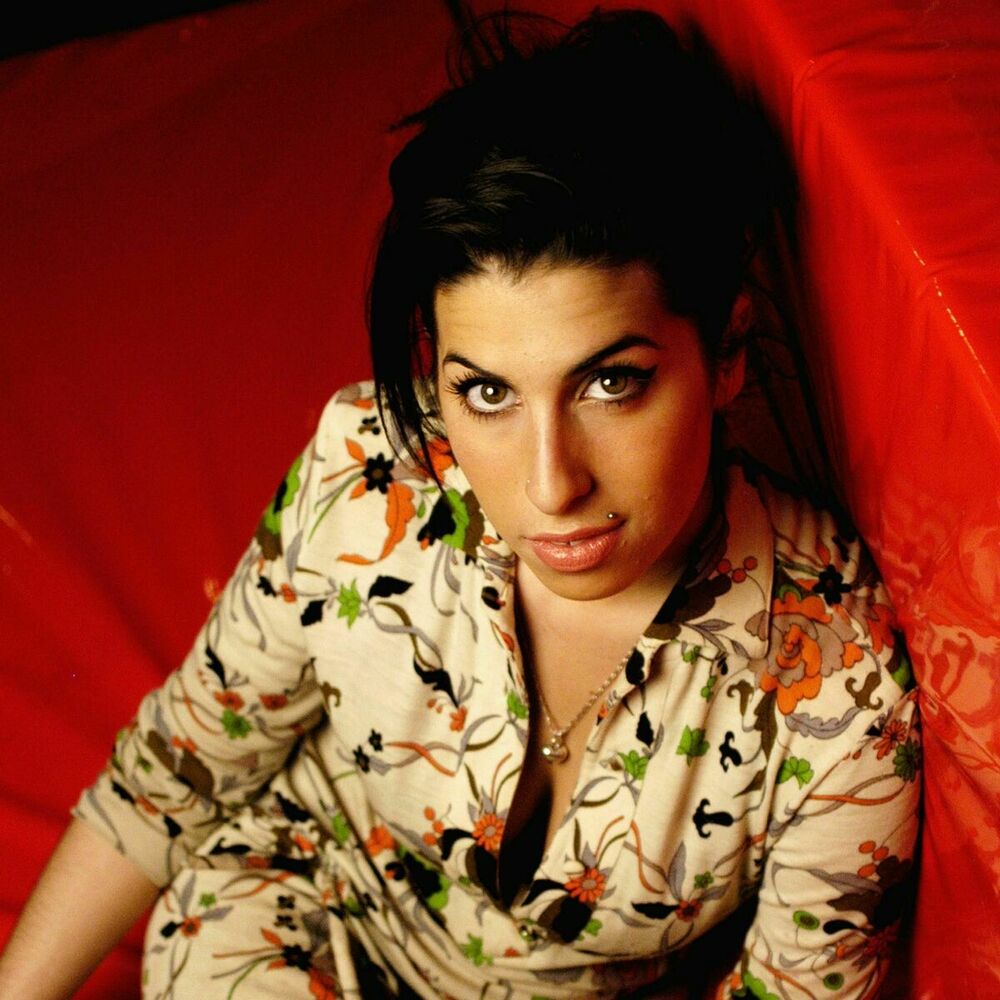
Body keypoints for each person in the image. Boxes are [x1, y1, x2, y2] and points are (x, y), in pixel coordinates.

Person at [0, 8, 920, 999]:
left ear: (727, 351)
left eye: (610, 383)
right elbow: (171, 779)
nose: (550, 484)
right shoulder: (366, 476)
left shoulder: (835, 693)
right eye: (486, 393)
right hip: (301, 905)